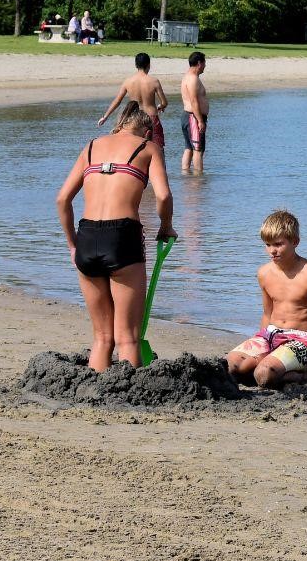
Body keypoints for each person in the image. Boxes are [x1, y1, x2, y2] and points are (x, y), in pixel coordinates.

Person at [54, 101, 173, 373]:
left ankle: (96, 390)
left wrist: (72, 245)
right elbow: (164, 196)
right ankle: (128, 392)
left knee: (102, 337)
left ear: (120, 125)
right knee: (128, 338)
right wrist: (166, 227)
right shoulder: (148, 148)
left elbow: (62, 200)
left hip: (87, 236)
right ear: (147, 132)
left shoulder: (91, 147)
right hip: (122, 237)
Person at [226, 209, 307, 393]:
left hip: (302, 342)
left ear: (295, 242)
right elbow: (267, 314)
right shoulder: (264, 273)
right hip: (271, 336)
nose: (272, 251)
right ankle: (272, 366)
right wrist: (262, 345)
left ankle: (303, 375)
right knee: (229, 368)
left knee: (263, 375)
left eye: (278, 244)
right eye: (267, 245)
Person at [99, 53, 168, 147]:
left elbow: (117, 101)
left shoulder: (128, 81)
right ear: (149, 65)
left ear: (136, 65)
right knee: (157, 147)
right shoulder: (154, 81)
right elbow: (164, 102)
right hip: (151, 117)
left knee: (136, 147)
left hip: (135, 119)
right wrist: (161, 106)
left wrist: (105, 116)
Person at [179, 51, 209, 176]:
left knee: (189, 148)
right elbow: (193, 101)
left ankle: (186, 176)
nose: (205, 66)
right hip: (193, 118)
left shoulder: (189, 77)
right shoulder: (193, 79)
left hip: (189, 117)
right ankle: (198, 179)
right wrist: (200, 121)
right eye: (204, 63)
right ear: (199, 63)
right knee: (198, 150)